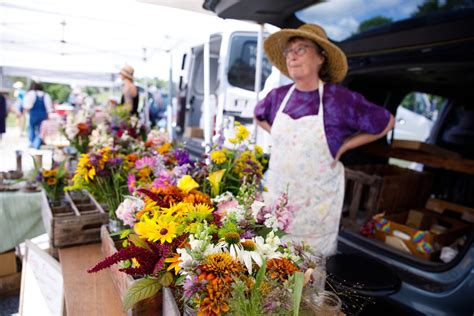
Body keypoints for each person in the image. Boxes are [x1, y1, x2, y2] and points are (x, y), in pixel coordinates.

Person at [254, 24, 395, 256]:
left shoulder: (338, 99)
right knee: (269, 274)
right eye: (289, 52)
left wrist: (344, 146)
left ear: (321, 57)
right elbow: (258, 116)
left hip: (315, 220)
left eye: (300, 49)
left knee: (308, 281)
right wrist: (280, 138)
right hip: (276, 210)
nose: (292, 56)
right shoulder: (278, 96)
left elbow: (386, 121)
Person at [23, 82, 54, 149]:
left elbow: (27, 106)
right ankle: (37, 142)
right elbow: (49, 108)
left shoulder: (31, 93)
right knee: (41, 130)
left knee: (32, 128)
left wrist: (25, 113)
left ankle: (33, 142)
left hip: (33, 114)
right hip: (43, 115)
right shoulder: (46, 95)